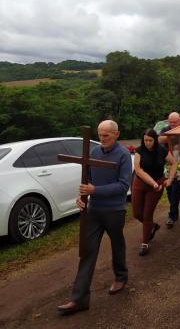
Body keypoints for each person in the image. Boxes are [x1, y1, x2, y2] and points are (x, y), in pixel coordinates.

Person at [57, 120, 132, 315]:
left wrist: (94, 190)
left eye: (106, 134)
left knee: (117, 244)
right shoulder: (94, 153)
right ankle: (79, 299)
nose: (102, 138)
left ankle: (121, 277)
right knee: (87, 251)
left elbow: (123, 186)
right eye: (100, 134)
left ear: (117, 134)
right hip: (94, 210)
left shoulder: (123, 155)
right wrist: (82, 197)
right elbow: (87, 179)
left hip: (114, 210)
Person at [132, 129, 177, 255]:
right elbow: (139, 170)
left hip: (157, 185)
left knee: (147, 214)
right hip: (140, 183)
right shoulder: (139, 150)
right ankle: (152, 226)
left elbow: (174, 163)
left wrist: (170, 179)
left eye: (150, 140)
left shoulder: (162, 150)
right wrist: (153, 183)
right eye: (145, 140)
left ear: (155, 140)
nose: (147, 143)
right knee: (136, 213)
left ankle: (145, 243)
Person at [158, 112, 180, 228]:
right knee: (169, 190)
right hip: (168, 165)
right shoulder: (165, 129)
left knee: (176, 189)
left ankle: (171, 215)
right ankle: (174, 211)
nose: (172, 124)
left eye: (175, 122)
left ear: (179, 121)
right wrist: (174, 135)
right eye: (170, 122)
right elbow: (160, 139)